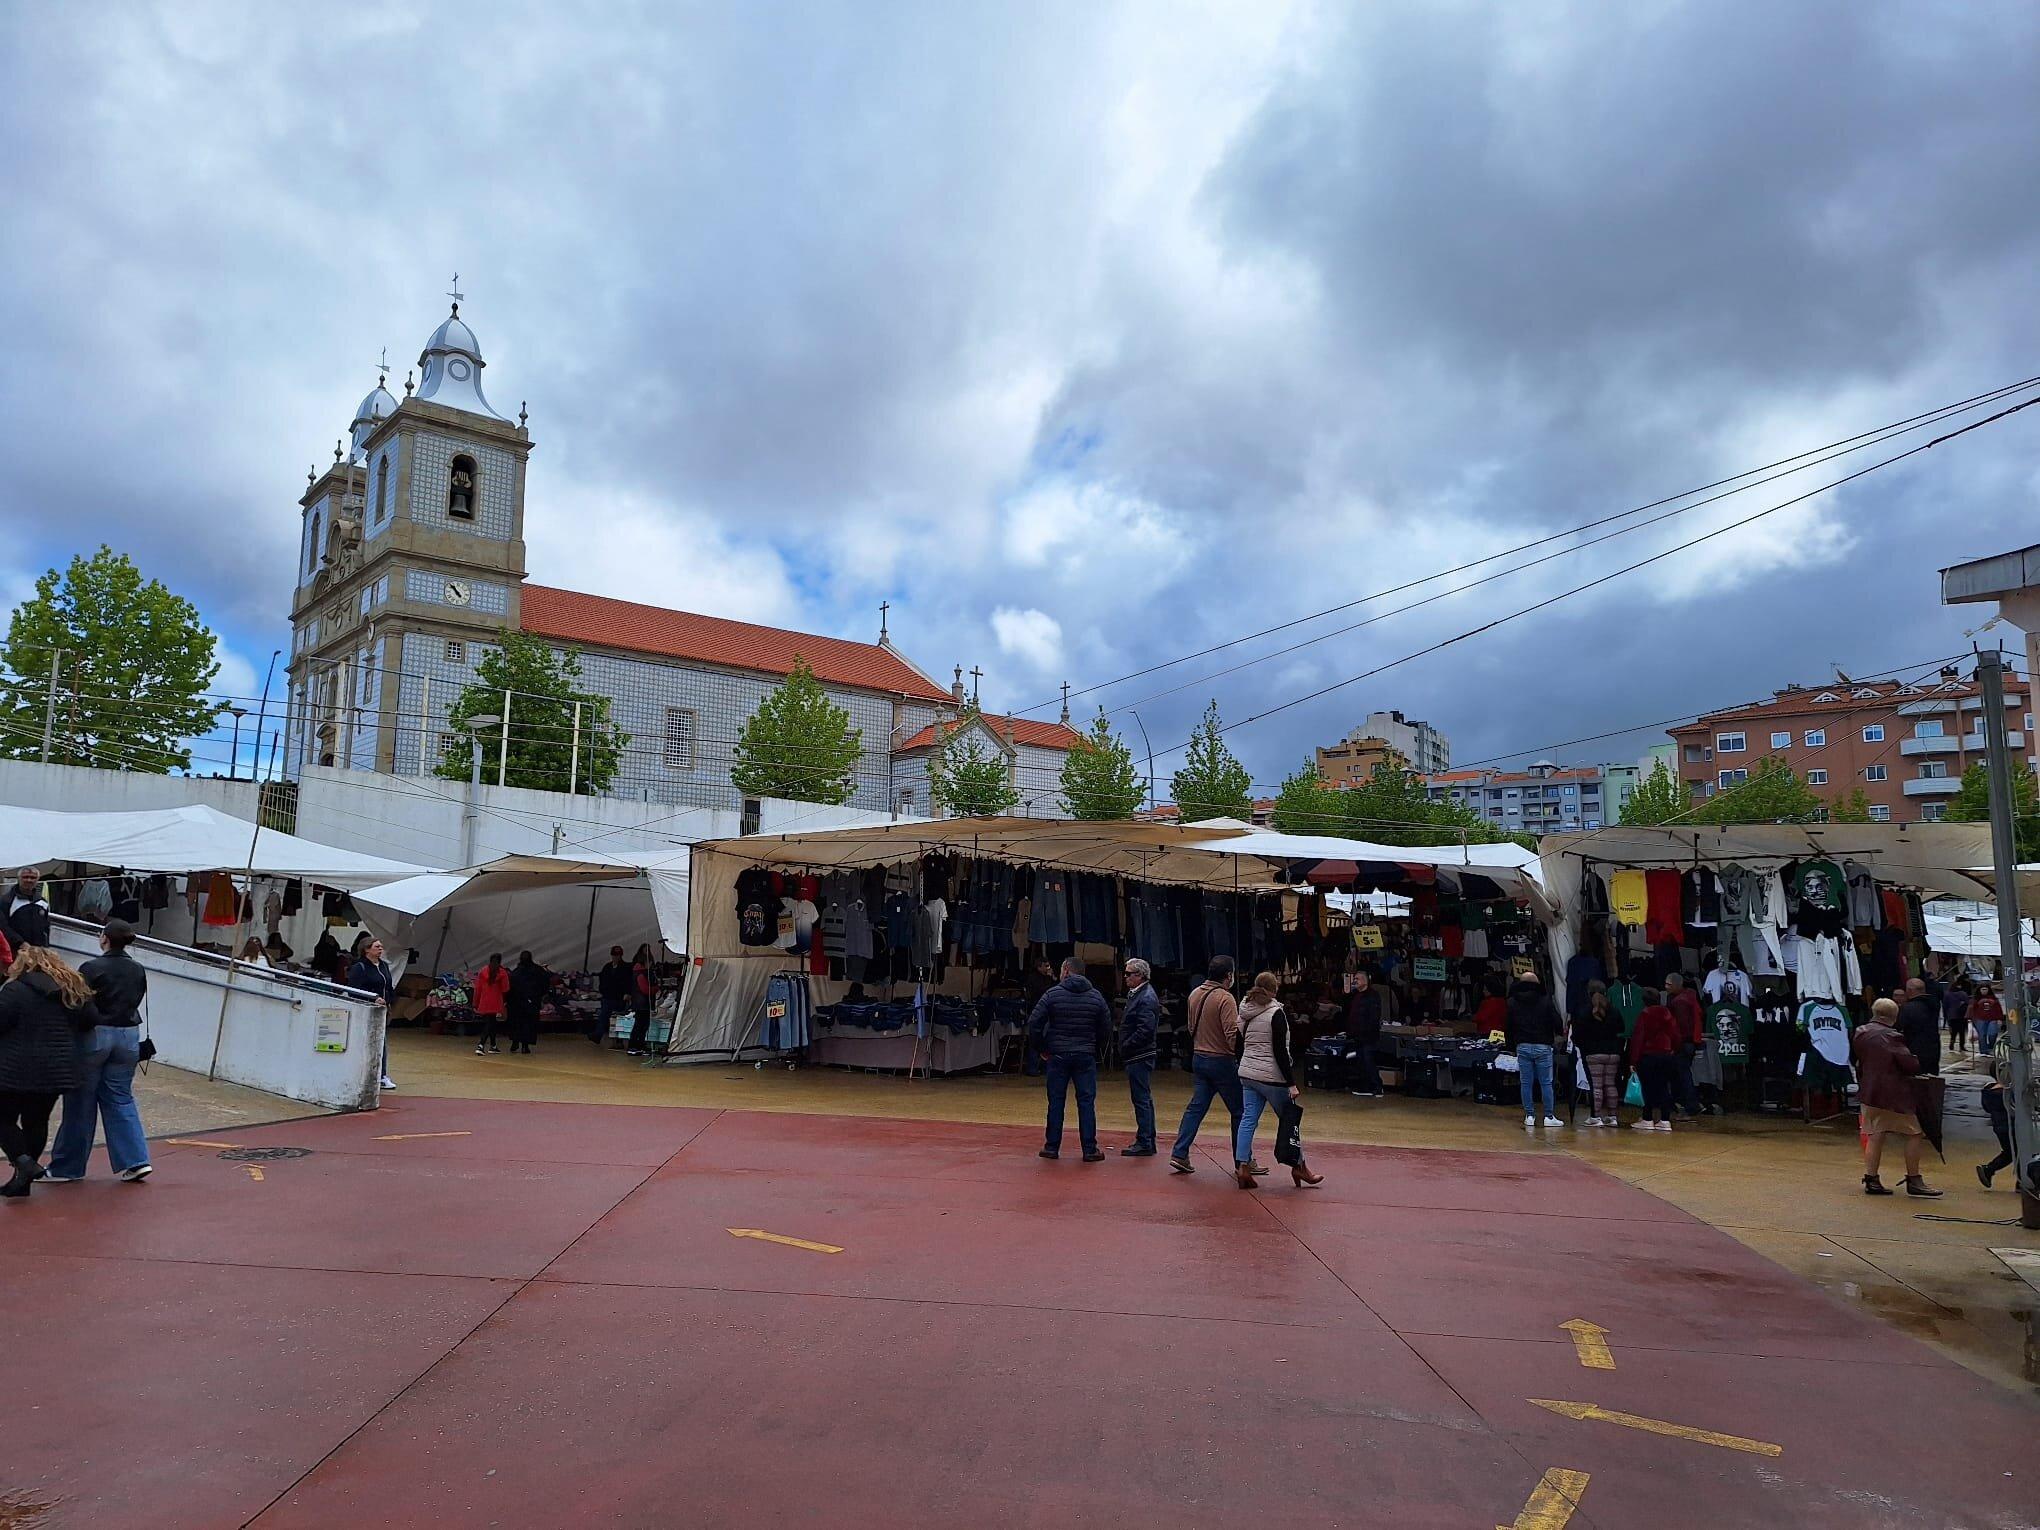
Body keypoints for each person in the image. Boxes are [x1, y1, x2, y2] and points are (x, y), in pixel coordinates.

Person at [47, 918, 151, 1183]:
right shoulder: (137, 968)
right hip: (128, 1035)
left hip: (97, 1034)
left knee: (81, 1101)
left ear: (105, 938)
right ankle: (136, 1160)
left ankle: (67, 1167)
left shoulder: (91, 967)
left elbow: (79, 1003)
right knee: (120, 1097)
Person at [0, 944, 101, 1197]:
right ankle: (22, 1182)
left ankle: (23, 1162)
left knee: (3, 1118)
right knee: (37, 1120)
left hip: (15, 1069)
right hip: (57, 1069)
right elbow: (90, 1019)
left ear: (23, 965)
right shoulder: (69, 990)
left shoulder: (15, 990)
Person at [1233, 971, 1322, 1190]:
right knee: (1289, 1121)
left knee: (1248, 1119)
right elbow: (1280, 1052)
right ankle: (1299, 1166)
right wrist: (1291, 1082)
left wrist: (1244, 1065)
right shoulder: (1276, 1013)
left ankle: (1242, 1165)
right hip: (1272, 1077)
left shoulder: (1244, 1011)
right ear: (1274, 990)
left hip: (1248, 1074)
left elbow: (1238, 1045)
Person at [1024, 956, 1111, 1162]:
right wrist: (1094, 1048)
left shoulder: (1052, 994)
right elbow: (1106, 1028)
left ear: (1065, 971)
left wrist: (1042, 1048)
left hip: (1058, 1054)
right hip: (1085, 1055)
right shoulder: (1096, 997)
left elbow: (1034, 1022)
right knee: (1086, 1102)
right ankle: (1089, 1149)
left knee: (1055, 1101)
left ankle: (1051, 1147)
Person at [1853, 996, 1940, 1197]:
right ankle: (1914, 1179)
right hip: (1892, 1096)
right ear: (1893, 1016)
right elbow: (1910, 1065)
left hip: (1869, 1092)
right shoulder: (1892, 1036)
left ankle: (1872, 1179)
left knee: (1875, 1135)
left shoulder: (1860, 1032)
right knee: (1914, 1133)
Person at [1168, 957, 1243, 1175]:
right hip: (1222, 1060)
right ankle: (1243, 1161)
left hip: (1199, 1058)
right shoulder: (1226, 999)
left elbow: (1191, 1027)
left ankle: (1180, 1152)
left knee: (1196, 1108)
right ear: (1228, 976)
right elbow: (1231, 1034)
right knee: (1239, 1111)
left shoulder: (1195, 994)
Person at [1505, 971, 1566, 1129]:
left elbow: (1508, 1027)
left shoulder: (1512, 1002)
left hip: (1522, 1045)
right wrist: (1557, 1035)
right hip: (1543, 1045)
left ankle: (1530, 1115)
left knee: (1526, 1083)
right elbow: (1557, 1022)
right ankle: (1548, 1116)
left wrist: (1510, 1046)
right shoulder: (1545, 1001)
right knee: (1546, 1083)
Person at [1117, 957, 1160, 1158]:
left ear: (1140, 975)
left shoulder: (1145, 998)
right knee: (1143, 1097)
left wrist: (1126, 1045)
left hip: (1139, 1055)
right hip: (1138, 1053)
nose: (1125, 977)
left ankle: (1145, 1140)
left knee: (1141, 1098)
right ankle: (1147, 1137)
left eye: (1128, 974)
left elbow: (1145, 1029)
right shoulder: (1140, 995)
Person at [347, 937, 398, 1090]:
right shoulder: (359, 967)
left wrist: (388, 1001)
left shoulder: (383, 966)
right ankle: (358, 1072)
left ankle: (381, 1075)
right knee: (363, 1041)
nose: (380, 949)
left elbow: (389, 986)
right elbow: (353, 990)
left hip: (382, 1010)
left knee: (381, 1042)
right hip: (366, 1009)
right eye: (377, 946)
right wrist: (372, 998)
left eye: (381, 946)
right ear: (366, 949)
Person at [1573, 980, 1625, 1127]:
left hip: (1593, 1052)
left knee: (1596, 1086)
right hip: (1613, 1052)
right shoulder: (1613, 1010)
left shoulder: (1585, 1011)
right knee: (1610, 1084)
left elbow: (1577, 1034)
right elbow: (1622, 1027)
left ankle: (1596, 1117)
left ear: (1588, 993)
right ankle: (1612, 1116)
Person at [1627, 988, 1680, 1132]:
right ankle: (1665, 1120)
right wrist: (1673, 1048)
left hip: (1649, 1056)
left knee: (1647, 1088)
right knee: (1664, 1087)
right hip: (1666, 1054)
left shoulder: (1644, 1015)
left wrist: (1633, 1060)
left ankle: (1648, 1118)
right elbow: (1675, 1034)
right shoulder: (1667, 1013)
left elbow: (1638, 1038)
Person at [1663, 972, 1704, 1119]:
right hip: (1689, 1042)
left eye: (1668, 984)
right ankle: (1682, 1103)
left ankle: (1690, 1106)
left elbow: (1681, 1027)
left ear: (1675, 985)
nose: (1665, 987)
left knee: (1683, 1075)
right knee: (1681, 1074)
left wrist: (1674, 1045)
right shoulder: (1688, 997)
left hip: (1682, 1043)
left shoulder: (1680, 1002)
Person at [1345, 968, 1385, 1099]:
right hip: (1357, 1036)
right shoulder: (1356, 996)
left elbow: (1374, 1017)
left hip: (1369, 1036)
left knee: (1369, 1061)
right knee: (1360, 1061)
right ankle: (1365, 1087)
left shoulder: (1372, 996)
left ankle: (1377, 1087)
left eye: (1357, 979)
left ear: (1365, 980)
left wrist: (1367, 1031)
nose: (1355, 981)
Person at [1894, 977, 1942, 1078]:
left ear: (1910, 991)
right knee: (1931, 1080)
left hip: (1915, 1050)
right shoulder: (1934, 1004)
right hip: (1933, 1048)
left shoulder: (1907, 1008)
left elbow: (1899, 1027)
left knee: (1915, 1083)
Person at [505, 951, 550, 1055]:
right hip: (531, 1002)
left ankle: (515, 1042)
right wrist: (538, 995)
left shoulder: (516, 972)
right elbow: (545, 983)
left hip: (516, 1003)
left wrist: (508, 1000)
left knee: (516, 1023)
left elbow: (509, 988)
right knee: (528, 1024)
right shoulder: (538, 971)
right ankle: (525, 1046)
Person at [471, 953, 510, 1055]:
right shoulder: (502, 973)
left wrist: (475, 1003)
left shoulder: (483, 971)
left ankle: (493, 1045)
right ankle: (481, 1045)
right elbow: (506, 988)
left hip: (484, 1001)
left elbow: (477, 989)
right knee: (490, 1024)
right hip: (496, 1001)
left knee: (491, 1023)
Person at [4, 866, 52, 951]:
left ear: (37, 880)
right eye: (25, 877)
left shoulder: (42, 902)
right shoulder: (6, 900)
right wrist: (19, 942)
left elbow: (46, 928)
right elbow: (3, 927)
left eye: (32, 877)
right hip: (13, 950)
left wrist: (45, 947)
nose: (29, 880)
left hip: (37, 951)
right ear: (19, 878)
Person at [595, 946, 634, 1045]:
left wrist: (628, 993)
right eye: (614, 955)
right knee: (604, 1014)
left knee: (610, 1015)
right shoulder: (607, 967)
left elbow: (629, 982)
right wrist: (602, 991)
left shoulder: (626, 967)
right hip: (607, 996)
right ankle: (598, 1034)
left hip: (619, 997)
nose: (616, 957)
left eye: (618, 955)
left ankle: (601, 1035)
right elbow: (602, 980)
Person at [626, 944, 657, 1056]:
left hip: (643, 1003)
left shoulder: (642, 973)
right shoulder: (641, 974)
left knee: (644, 1026)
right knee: (639, 1025)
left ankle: (640, 1046)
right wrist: (656, 988)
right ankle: (633, 1046)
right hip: (641, 1004)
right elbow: (645, 989)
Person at [1969, 982, 2005, 1055]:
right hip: (1980, 1019)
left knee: (1993, 1034)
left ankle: (1990, 1048)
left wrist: (2000, 1019)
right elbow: (1971, 1009)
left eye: (1986, 989)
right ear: (1979, 990)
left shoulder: (1994, 999)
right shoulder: (1975, 999)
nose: (1984, 991)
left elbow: (1998, 1009)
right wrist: (1969, 1019)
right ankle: (1983, 1050)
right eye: (1982, 989)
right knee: (1982, 1035)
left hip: (1992, 1019)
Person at [1941, 977, 1971, 1056]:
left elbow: (1945, 1006)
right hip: (1961, 1015)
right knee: (1962, 1032)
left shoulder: (1947, 994)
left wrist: (1945, 1015)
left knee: (1953, 1031)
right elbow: (1967, 1003)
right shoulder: (1963, 994)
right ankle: (1962, 1046)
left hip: (1951, 1016)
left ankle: (1952, 1041)